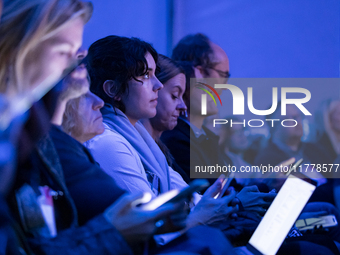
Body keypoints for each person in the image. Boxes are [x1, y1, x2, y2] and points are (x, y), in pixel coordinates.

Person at [161, 33, 230, 181]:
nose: (225, 86)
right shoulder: (175, 139)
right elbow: (213, 193)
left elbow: (227, 187)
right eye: (223, 74)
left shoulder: (205, 136)